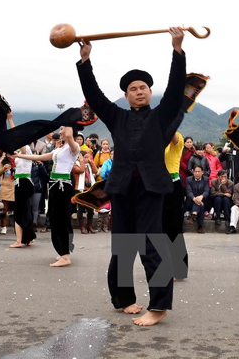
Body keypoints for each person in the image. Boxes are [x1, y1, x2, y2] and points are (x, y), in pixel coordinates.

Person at [75, 27, 186, 326]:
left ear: (150, 92)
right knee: (122, 246)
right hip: (122, 188)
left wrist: (177, 51)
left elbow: (176, 90)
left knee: (152, 244)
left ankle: (160, 305)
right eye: (133, 89)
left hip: (151, 188)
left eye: (144, 87)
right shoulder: (117, 117)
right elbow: (94, 96)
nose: (139, 91)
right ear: (126, 95)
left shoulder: (161, 115)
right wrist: (85, 61)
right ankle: (124, 298)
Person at [11, 126, 80, 267]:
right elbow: (39, 157)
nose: (59, 132)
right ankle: (62, 251)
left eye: (61, 129)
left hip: (63, 185)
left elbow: (69, 135)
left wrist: (67, 122)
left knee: (61, 219)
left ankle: (66, 255)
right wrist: (20, 156)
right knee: (54, 219)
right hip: (54, 185)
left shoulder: (74, 147)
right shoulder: (59, 149)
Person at [163, 130, 189, 279]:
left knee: (174, 229)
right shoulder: (154, 141)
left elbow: (171, 131)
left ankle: (179, 269)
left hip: (173, 188)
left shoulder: (177, 138)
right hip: (155, 188)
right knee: (158, 229)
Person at [9, 145, 36, 248]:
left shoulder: (26, 149)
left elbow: (22, 146)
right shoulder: (19, 152)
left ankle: (19, 241)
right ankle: (28, 237)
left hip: (24, 182)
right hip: (20, 182)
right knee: (25, 211)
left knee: (20, 212)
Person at [185, 165, 209, 233]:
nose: (197, 173)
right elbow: (188, 192)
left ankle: (193, 215)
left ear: (202, 172)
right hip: (191, 201)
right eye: (195, 171)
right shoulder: (189, 179)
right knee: (200, 205)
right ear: (193, 172)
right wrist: (194, 199)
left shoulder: (206, 179)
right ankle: (200, 226)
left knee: (201, 204)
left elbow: (206, 191)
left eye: (199, 171)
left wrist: (201, 197)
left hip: (202, 200)